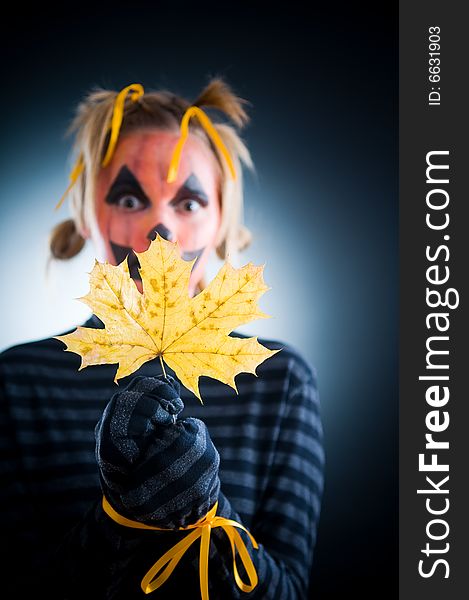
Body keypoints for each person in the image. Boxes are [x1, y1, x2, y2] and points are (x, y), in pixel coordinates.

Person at [0, 78, 325, 599]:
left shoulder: (279, 383)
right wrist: (117, 516)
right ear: (87, 216)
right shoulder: (18, 383)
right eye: (129, 197)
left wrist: (205, 508)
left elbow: (289, 594)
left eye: (190, 202)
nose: (161, 229)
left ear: (221, 221)